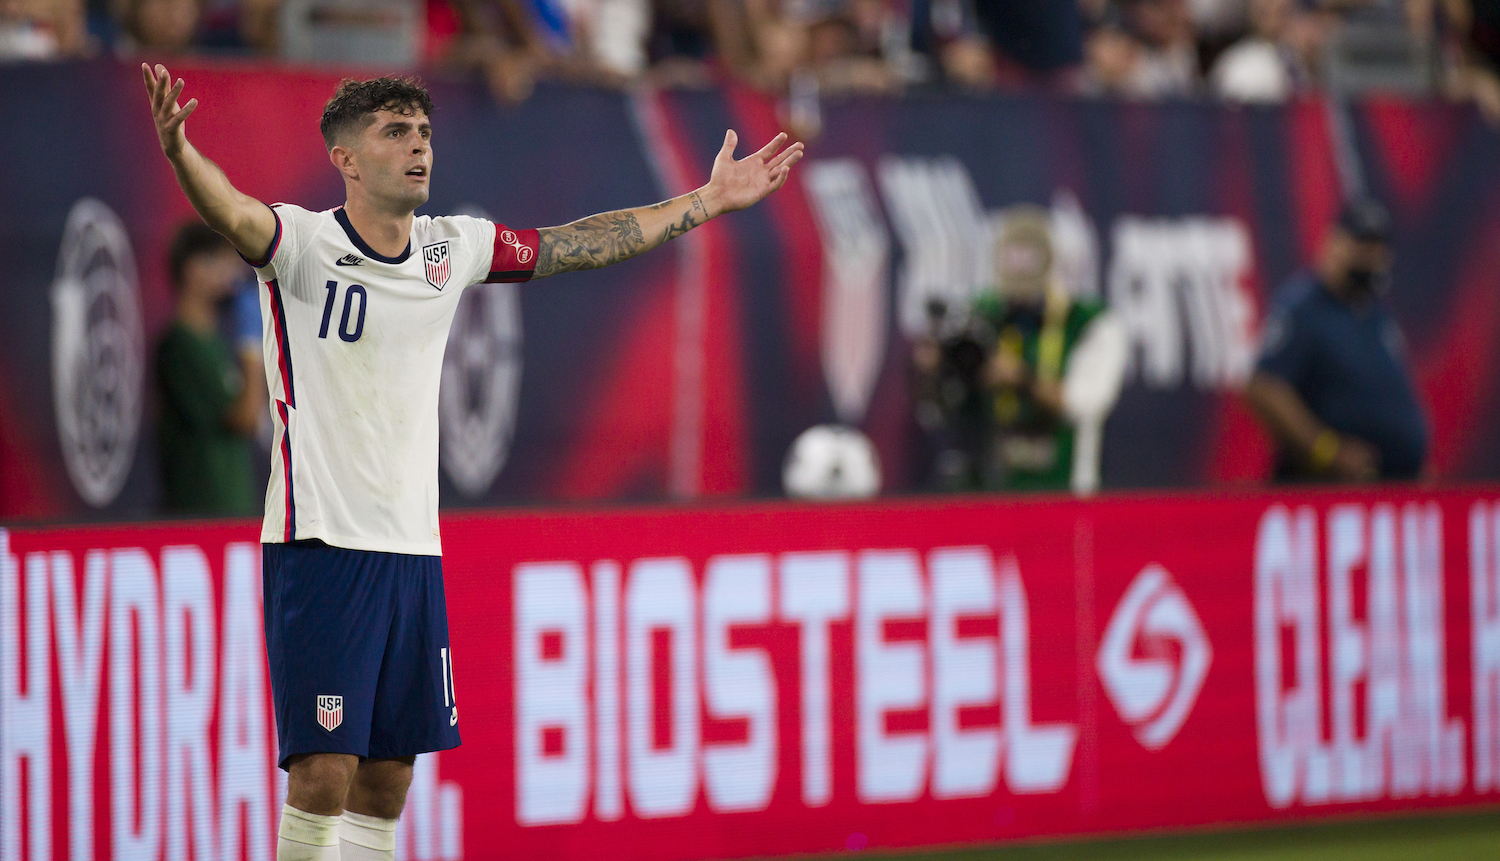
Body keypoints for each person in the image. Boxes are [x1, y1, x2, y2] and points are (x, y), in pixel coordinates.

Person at [141, 63, 801, 860]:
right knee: (322, 769)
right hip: (320, 543)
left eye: (422, 132)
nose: (418, 147)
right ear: (346, 158)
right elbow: (234, 211)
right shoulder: (304, 246)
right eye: (394, 132)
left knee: (388, 777)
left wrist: (705, 201)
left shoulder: (452, 248)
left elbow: (573, 246)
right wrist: (182, 155)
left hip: (414, 553)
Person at [914, 206, 1126, 494]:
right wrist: (940, 368)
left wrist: (1022, 379)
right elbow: (940, 405)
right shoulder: (980, 312)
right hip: (988, 483)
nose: (1018, 298)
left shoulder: (1089, 321)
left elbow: (1086, 403)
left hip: (1064, 485)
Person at [1246, 197, 1429, 483]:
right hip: (1328, 494)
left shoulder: (1375, 314)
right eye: (1360, 243)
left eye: (1376, 246)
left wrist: (1412, 452)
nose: (1369, 255)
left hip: (1391, 491)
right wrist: (1326, 451)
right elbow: (1265, 387)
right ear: (1332, 242)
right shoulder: (1303, 308)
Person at [157, 222, 267, 516]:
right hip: (201, 514)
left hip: (232, 512)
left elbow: (253, 418)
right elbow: (244, 418)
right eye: (223, 263)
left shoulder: (215, 343)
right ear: (194, 269)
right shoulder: (181, 346)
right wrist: (252, 346)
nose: (233, 275)